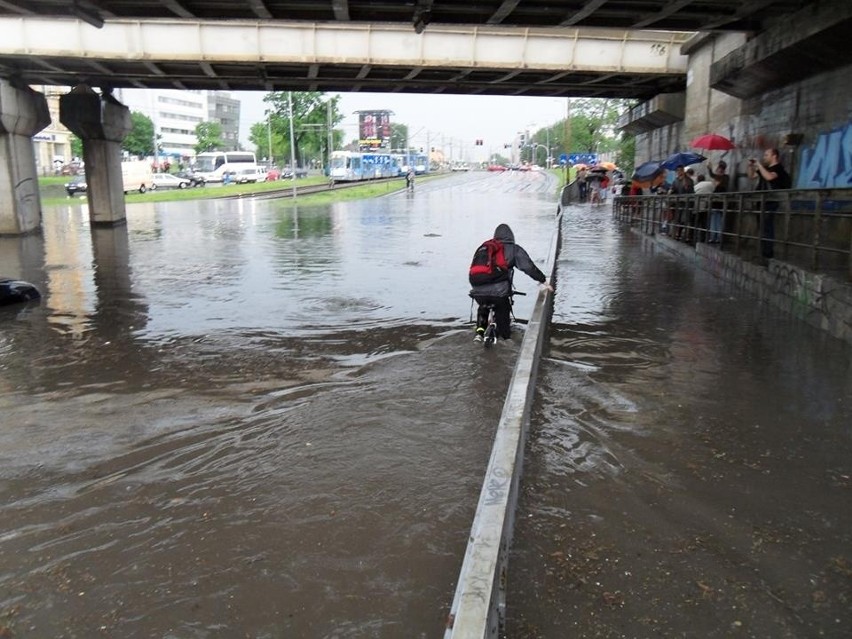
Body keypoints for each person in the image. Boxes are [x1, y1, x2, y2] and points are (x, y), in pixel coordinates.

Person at [470, 223, 553, 342]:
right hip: (499, 293)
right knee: (503, 315)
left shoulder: (485, 248)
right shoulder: (513, 249)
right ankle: (504, 339)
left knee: (483, 304)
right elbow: (528, 267)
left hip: (477, 289)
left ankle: (479, 333)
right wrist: (543, 280)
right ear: (511, 236)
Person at [748, 148, 791, 259]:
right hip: (761, 200)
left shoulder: (778, 168)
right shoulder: (765, 168)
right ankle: (763, 252)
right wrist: (751, 166)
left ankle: (768, 253)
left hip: (771, 201)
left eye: (767, 155)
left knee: (767, 227)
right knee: (762, 227)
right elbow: (751, 176)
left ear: (774, 156)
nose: (764, 157)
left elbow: (769, 177)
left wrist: (759, 165)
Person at [707, 160, 729, 243]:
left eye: (719, 168)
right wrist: (709, 169)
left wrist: (710, 170)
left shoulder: (724, 178)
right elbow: (713, 175)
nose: (719, 170)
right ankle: (714, 237)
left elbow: (714, 176)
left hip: (719, 202)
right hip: (716, 202)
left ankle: (716, 237)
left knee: (717, 220)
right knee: (715, 220)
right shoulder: (723, 177)